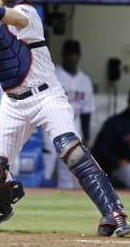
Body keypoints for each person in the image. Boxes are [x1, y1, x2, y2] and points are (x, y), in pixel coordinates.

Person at [0, 0, 130, 237]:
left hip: (46, 96)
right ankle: (2, 210)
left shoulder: (26, 10)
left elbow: (12, 15)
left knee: (72, 152)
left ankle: (115, 213)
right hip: (13, 103)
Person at [42, 39, 95, 189]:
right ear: (63, 55)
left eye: (75, 54)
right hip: (50, 124)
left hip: (73, 125)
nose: (72, 58)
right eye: (69, 54)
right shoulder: (53, 74)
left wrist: (87, 136)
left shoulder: (85, 81)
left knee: (68, 170)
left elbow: (86, 111)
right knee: (47, 165)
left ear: (80, 56)